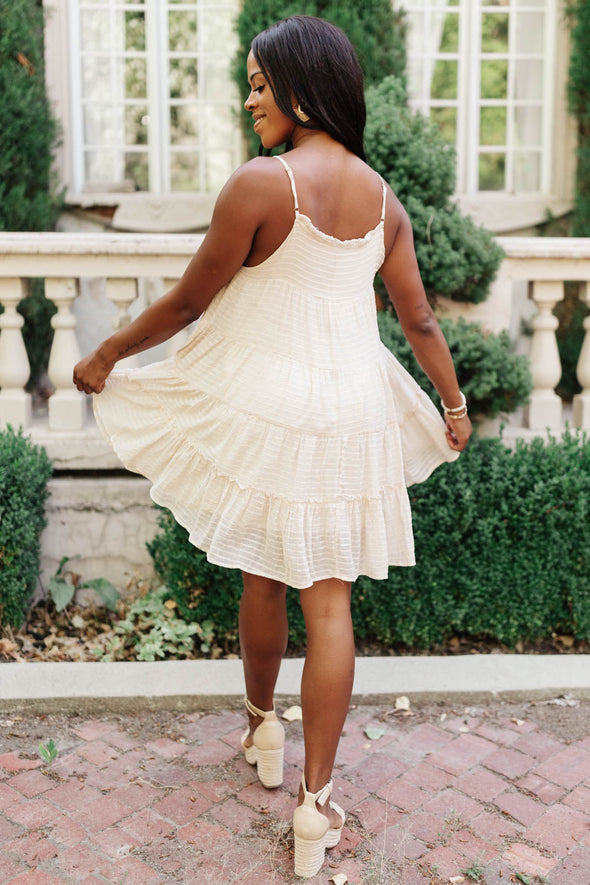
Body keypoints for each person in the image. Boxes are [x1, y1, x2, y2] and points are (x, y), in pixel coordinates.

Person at [73, 14, 471, 878]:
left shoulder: (262, 184)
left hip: (272, 403)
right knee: (328, 603)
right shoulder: (383, 199)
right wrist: (453, 402)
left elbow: (188, 303)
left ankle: (261, 726)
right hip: (352, 409)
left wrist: (106, 354)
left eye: (260, 83)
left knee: (261, 567)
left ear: (301, 87)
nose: (249, 97)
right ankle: (317, 806)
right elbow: (420, 317)